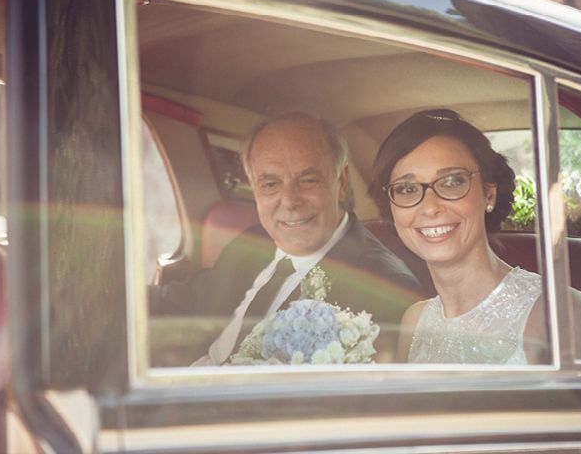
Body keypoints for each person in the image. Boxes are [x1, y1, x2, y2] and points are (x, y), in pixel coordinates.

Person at [151, 113, 426, 365]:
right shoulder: (253, 241)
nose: (290, 201)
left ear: (340, 183)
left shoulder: (387, 288)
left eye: (308, 181)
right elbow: (188, 297)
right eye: (270, 184)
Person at [369, 108, 581, 364]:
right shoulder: (414, 321)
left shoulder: (559, 312)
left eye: (451, 182)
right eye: (406, 189)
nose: (429, 207)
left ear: (489, 194)